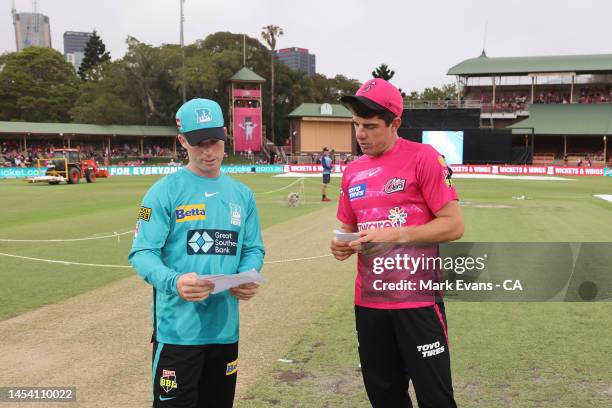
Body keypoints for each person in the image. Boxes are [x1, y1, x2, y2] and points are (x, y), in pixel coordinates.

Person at [330, 78, 464, 407]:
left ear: (395, 124)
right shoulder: (352, 172)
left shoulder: (424, 158)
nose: (361, 134)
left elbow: (453, 225)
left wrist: (395, 234)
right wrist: (342, 247)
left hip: (418, 304)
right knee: (385, 397)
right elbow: (347, 228)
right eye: (357, 125)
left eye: (371, 126)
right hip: (370, 305)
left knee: (436, 398)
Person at [128, 98, 265, 408]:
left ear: (225, 136)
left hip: (224, 332)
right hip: (178, 333)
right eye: (198, 143)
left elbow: (253, 248)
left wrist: (247, 275)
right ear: (182, 142)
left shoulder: (242, 195)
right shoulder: (163, 191)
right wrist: (174, 281)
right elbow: (142, 253)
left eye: (214, 142)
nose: (208, 151)